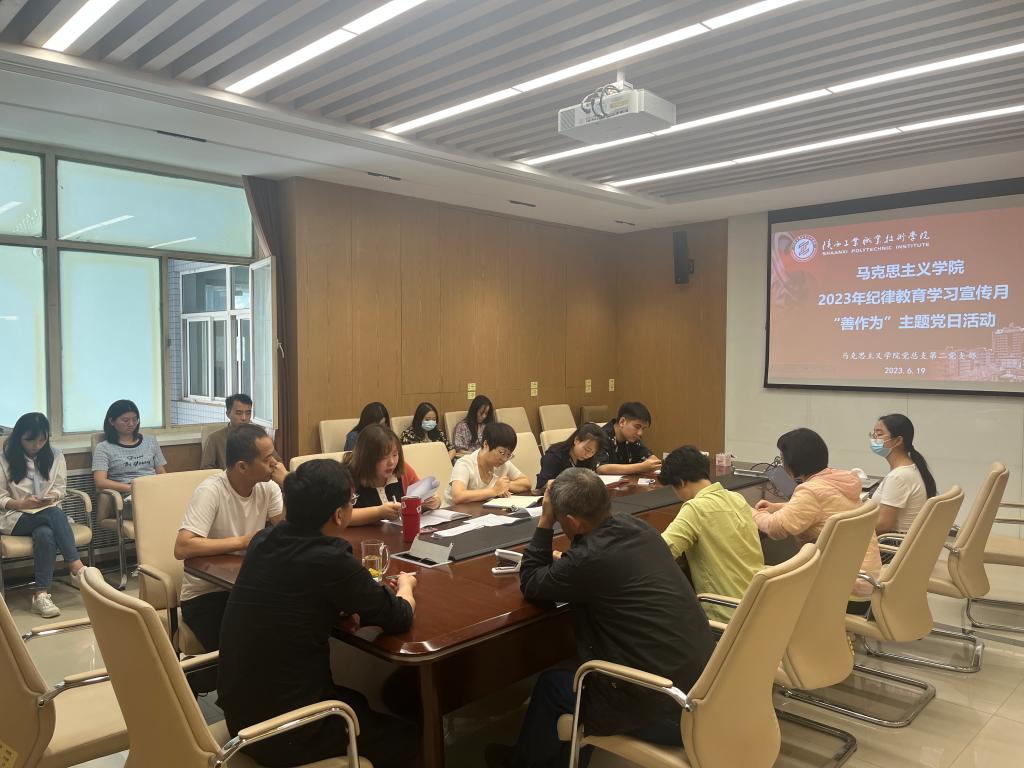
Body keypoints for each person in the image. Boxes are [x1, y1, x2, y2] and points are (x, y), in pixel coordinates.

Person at [486, 469, 715, 768]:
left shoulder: (588, 559)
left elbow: (531, 582)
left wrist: (545, 521)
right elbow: (596, 564)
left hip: (667, 712)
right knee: (576, 672)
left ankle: (524, 763)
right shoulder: (637, 528)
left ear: (571, 522)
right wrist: (570, 563)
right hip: (705, 692)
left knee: (552, 685)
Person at [217, 459, 419, 768]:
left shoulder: (263, 541)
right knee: (407, 738)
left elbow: (290, 594)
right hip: (288, 730)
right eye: (352, 501)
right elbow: (399, 616)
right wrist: (406, 587)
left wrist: (335, 608)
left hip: (241, 717)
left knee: (360, 702)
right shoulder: (331, 559)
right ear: (339, 514)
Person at [173, 424, 283, 653]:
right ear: (242, 466)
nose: (275, 463)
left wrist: (289, 484)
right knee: (259, 640)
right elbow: (182, 546)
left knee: (291, 622)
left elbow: (290, 532)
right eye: (267, 459)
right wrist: (243, 542)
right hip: (207, 595)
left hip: (246, 587)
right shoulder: (211, 491)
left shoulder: (269, 488)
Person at [752, 428, 881, 616]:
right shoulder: (839, 480)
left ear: (793, 462)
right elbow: (825, 508)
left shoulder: (811, 491)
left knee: (763, 585)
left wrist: (749, 512)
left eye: (782, 458)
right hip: (864, 578)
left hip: (842, 588)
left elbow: (776, 528)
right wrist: (777, 507)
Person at [657, 445, 764, 622]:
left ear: (681, 482)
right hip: (757, 604)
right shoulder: (737, 498)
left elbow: (661, 551)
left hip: (726, 614)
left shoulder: (695, 508)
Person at [0, 413, 85, 618]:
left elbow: (60, 488)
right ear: (18, 437)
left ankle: (41, 595)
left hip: (46, 516)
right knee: (54, 514)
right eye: (30, 440)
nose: (36, 446)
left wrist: (51, 496)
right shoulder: (4, 459)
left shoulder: (55, 455)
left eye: (42, 440)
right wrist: (22, 503)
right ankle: (76, 566)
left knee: (45, 533)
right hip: (14, 516)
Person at [344, 425, 441, 526]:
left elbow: (421, 497)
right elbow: (340, 516)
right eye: (384, 457)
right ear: (366, 457)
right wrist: (378, 512)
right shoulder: (347, 475)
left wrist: (433, 502)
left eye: (395, 455)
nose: (391, 462)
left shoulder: (403, 469)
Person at [92, 399, 166, 519]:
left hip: (153, 490)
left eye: (135, 419)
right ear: (112, 421)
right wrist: (133, 488)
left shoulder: (150, 442)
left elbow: (161, 472)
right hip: (126, 497)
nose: (131, 424)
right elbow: (100, 482)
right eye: (125, 420)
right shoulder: (104, 448)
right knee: (157, 510)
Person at [869, 414, 936, 534]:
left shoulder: (898, 477)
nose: (874, 439)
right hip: (903, 540)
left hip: (891, 542)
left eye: (879, 434)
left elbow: (883, 526)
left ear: (898, 440)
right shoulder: (911, 467)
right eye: (873, 434)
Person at [201, 393, 285, 485]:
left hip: (258, 483)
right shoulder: (215, 438)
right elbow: (206, 470)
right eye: (239, 413)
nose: (244, 418)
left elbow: (277, 461)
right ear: (228, 414)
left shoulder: (258, 435)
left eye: (248, 413)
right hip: (227, 485)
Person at [445, 422, 532, 505]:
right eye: (501, 452)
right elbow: (458, 496)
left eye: (509, 455)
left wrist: (505, 485)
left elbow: (526, 483)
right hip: (454, 512)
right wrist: (494, 490)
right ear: (486, 444)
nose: (505, 459)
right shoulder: (465, 463)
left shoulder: (503, 463)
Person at [594, 402, 662, 476]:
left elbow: (651, 459)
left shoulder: (632, 438)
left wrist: (655, 464)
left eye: (643, 429)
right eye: (637, 427)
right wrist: (641, 467)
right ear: (622, 422)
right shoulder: (601, 436)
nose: (640, 433)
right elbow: (601, 468)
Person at [535, 423, 604, 487]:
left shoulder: (589, 458)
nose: (588, 455)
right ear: (576, 440)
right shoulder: (554, 457)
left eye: (592, 452)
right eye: (587, 449)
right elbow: (542, 485)